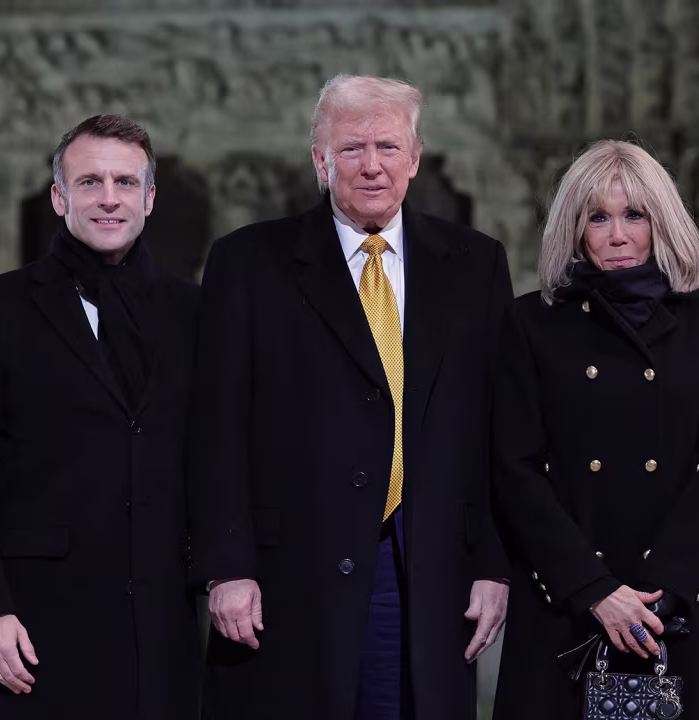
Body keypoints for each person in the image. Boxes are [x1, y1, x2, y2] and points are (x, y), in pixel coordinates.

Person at [189, 74, 512, 720]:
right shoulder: (248, 263)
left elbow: (499, 429)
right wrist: (226, 566)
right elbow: (215, 427)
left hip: (424, 569)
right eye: (351, 148)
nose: (371, 165)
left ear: (415, 159)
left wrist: (493, 565)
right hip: (287, 575)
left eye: (388, 147)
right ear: (320, 160)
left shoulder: (475, 265)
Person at [0, 114, 199, 719]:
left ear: (149, 198)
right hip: (34, 625)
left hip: (161, 625)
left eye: (125, 182)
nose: (109, 198)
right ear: (59, 197)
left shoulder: (194, 311)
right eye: (89, 182)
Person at [490, 140, 699, 720]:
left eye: (634, 215)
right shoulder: (531, 323)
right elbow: (514, 469)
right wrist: (596, 590)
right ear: (574, 229)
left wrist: (662, 590)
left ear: (661, 222)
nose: (618, 236)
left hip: (676, 603)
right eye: (598, 217)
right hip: (568, 601)